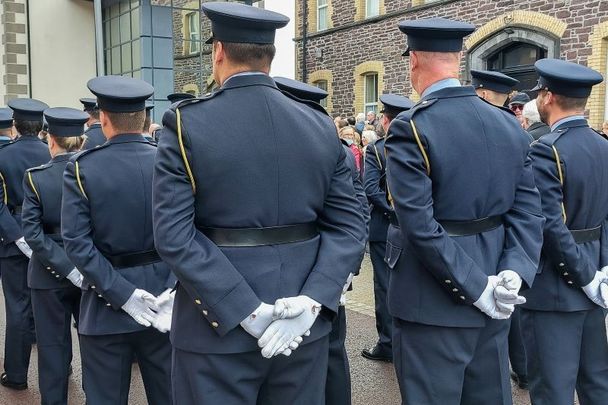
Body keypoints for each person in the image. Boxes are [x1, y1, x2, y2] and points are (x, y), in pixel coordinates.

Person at [152, 3, 366, 404]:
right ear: (269, 56)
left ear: (217, 52)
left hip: (215, 326)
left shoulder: (185, 123)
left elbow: (174, 236)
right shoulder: (319, 125)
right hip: (300, 324)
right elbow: (349, 226)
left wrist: (244, 310)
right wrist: (313, 299)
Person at [386, 18, 544, 404]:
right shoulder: (510, 126)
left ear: (415, 61)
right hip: (495, 295)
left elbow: (419, 225)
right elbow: (528, 213)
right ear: (456, 61)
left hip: (433, 302)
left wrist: (477, 287)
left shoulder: (412, 127)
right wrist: (512, 273)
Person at [61, 76, 175, 405]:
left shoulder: (82, 169)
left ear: (104, 120)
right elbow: (189, 232)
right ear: (143, 119)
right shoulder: (168, 162)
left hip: (106, 305)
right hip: (163, 304)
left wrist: (123, 295)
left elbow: (77, 245)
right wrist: (171, 288)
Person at [275, 75, 369, 405]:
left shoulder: (330, 150)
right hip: (320, 271)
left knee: (326, 354)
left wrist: (344, 273)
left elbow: (357, 212)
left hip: (323, 273)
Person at [521, 58, 608, 405]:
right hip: (595, 283)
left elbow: (550, 225)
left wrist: (587, 277)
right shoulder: (604, 146)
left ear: (548, 96)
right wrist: (601, 271)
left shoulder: (546, 148)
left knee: (553, 390)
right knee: (596, 385)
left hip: (556, 287)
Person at [21, 107, 88, 404]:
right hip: (89, 269)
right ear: (81, 141)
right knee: (93, 346)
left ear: (50, 140)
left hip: (47, 274)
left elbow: (33, 233)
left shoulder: (36, 178)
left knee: (52, 348)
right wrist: (76, 268)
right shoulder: (90, 171)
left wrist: (63, 266)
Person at [0, 98, 51, 390]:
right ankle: (61, 366)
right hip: (46, 238)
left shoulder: (3, 156)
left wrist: (19, 238)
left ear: (16, 125)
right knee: (50, 306)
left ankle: (17, 375)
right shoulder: (50, 152)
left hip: (12, 240)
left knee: (17, 307)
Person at [361, 93, 413, 364]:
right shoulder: (418, 143)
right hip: (414, 228)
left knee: (385, 288)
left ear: (385, 119)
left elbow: (370, 188)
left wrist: (393, 212)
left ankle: (389, 343)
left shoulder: (378, 149)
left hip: (385, 228)